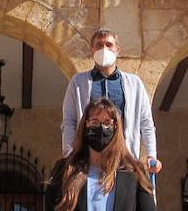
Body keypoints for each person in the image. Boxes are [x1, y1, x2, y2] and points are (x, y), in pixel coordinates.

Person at [60, 29, 161, 174]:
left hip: (124, 159)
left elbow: (146, 122)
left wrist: (152, 155)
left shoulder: (134, 83)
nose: (104, 49)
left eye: (109, 45)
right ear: (92, 49)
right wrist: (69, 154)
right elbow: (69, 121)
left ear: (117, 50)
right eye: (99, 45)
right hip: (88, 160)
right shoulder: (78, 82)